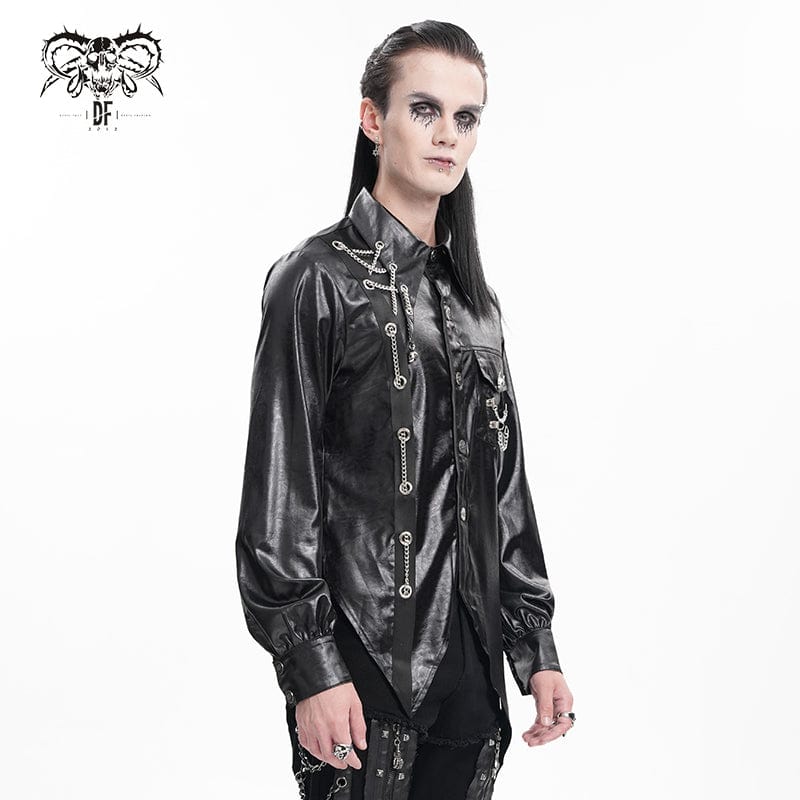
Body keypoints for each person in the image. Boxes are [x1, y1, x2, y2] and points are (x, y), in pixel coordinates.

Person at [235, 19, 575, 799]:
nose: (447, 135)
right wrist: (312, 667)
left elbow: (504, 491)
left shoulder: (475, 304)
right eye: (425, 110)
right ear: (373, 119)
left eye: (466, 117)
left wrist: (537, 648)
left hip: (472, 674)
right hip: (364, 664)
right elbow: (280, 497)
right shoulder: (314, 281)